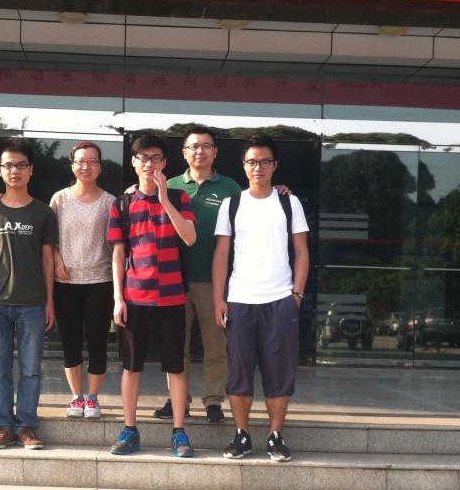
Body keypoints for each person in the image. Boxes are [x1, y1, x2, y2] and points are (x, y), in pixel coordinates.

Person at [212, 133, 309, 462]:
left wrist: (297, 293)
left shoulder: (289, 203)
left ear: (274, 165)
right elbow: (221, 254)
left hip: (280, 299)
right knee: (239, 371)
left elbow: (301, 250)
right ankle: (241, 435)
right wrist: (219, 298)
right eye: (252, 162)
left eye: (265, 162)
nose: (258, 167)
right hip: (240, 299)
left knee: (279, 371)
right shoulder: (232, 204)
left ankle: (275, 436)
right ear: (244, 165)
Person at [108, 134, 197, 458]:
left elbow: (189, 237)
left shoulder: (179, 197)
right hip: (135, 297)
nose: (149, 164)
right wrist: (118, 298)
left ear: (165, 163)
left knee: (176, 367)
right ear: (134, 162)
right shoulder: (122, 203)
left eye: (156, 158)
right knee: (131, 366)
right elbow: (118, 254)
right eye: (143, 158)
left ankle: (179, 432)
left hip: (172, 297)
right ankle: (129, 429)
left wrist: (164, 199)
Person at [152, 126, 242, 425]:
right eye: (193, 146)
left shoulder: (230, 188)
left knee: (215, 344)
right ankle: (178, 399)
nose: (199, 151)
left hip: (212, 281)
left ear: (215, 152)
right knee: (176, 345)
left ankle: (214, 400)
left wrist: (280, 191)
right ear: (184, 153)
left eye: (206, 146)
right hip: (172, 279)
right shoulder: (170, 185)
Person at [0, 138, 59, 450]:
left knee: (30, 371)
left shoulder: (43, 212)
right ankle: (3, 427)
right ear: (0, 169)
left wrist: (50, 301)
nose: (15, 170)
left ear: (31, 170)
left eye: (21, 165)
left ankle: (27, 428)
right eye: (9, 165)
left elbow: (48, 259)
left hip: (33, 304)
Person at [49, 141, 116, 419]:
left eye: (92, 161)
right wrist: (57, 261)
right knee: (70, 341)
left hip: (100, 281)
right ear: (72, 165)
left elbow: (116, 245)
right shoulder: (60, 199)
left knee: (98, 341)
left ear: (100, 166)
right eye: (80, 161)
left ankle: (93, 398)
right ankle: (76, 397)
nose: (86, 166)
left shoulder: (110, 202)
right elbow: (49, 239)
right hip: (66, 282)